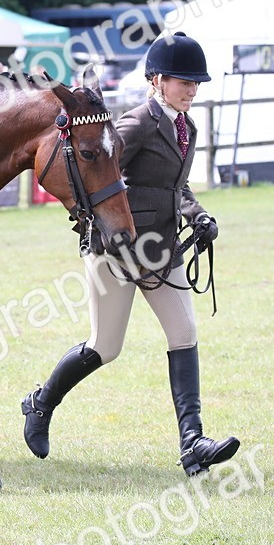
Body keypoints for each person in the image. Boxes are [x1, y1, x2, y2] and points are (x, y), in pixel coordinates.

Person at [20, 32, 237, 477]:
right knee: (105, 346)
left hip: (162, 249)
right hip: (116, 251)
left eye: (196, 83)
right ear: (156, 81)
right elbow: (99, 175)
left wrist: (198, 215)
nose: (192, 90)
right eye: (184, 82)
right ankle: (40, 403)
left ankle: (193, 443)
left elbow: (178, 187)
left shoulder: (187, 127)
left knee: (184, 333)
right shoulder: (136, 124)